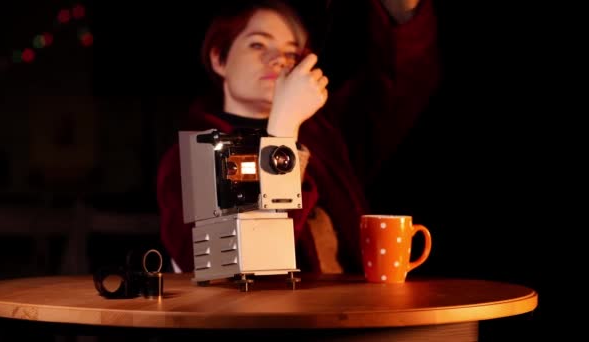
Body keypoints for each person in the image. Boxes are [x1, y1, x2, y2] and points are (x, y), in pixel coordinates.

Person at [156, 0, 441, 275]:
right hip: (267, 321)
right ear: (219, 58)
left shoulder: (324, 137)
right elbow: (235, 264)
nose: (278, 59)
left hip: (351, 312)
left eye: (292, 53)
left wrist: (401, 11)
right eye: (258, 44)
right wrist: (282, 132)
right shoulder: (197, 153)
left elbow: (393, 88)